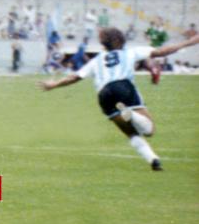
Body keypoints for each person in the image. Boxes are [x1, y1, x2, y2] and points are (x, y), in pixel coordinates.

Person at [38, 27, 199, 171]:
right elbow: (162, 51)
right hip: (123, 87)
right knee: (149, 130)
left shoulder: (97, 60)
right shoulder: (130, 52)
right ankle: (130, 112)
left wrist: (54, 85)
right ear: (118, 40)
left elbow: (75, 77)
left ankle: (153, 160)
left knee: (130, 133)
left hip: (103, 95)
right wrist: (188, 43)